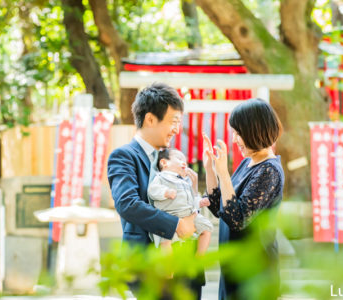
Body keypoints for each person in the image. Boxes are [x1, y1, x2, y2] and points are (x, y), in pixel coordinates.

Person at [107, 83, 204, 299]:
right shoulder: (124, 156)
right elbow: (127, 204)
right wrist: (177, 225)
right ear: (150, 119)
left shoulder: (172, 158)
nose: (177, 130)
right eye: (173, 121)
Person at [202, 98, 285, 300]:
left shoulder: (269, 170)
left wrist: (223, 174)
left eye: (238, 133)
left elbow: (237, 218)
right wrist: (210, 169)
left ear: (254, 130)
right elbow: (218, 207)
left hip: (254, 274)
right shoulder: (248, 163)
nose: (234, 139)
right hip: (233, 270)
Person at [148, 148, 213, 255]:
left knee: (207, 227)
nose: (184, 162)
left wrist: (199, 202)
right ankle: (168, 269)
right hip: (170, 216)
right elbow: (152, 190)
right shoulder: (161, 177)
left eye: (186, 161)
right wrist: (165, 192)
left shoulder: (184, 181)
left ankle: (199, 257)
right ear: (164, 162)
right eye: (179, 159)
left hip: (188, 214)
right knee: (165, 240)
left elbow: (189, 200)